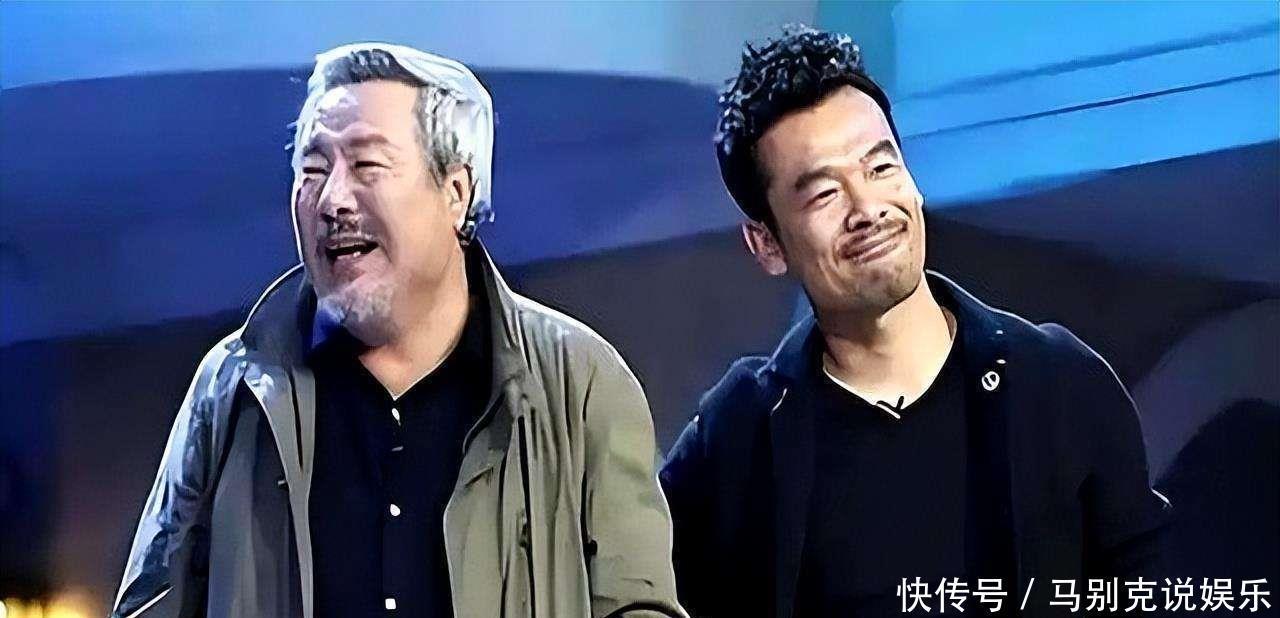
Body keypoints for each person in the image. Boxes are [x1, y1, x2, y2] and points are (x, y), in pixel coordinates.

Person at [111, 43, 684, 618]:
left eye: (366, 166)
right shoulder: (234, 387)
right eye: (313, 170)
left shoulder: (580, 385)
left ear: (455, 193)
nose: (332, 199)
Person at [660, 26, 1170, 618]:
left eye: (881, 168)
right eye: (824, 194)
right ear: (767, 244)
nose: (867, 209)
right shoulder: (738, 437)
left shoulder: (1057, 383)